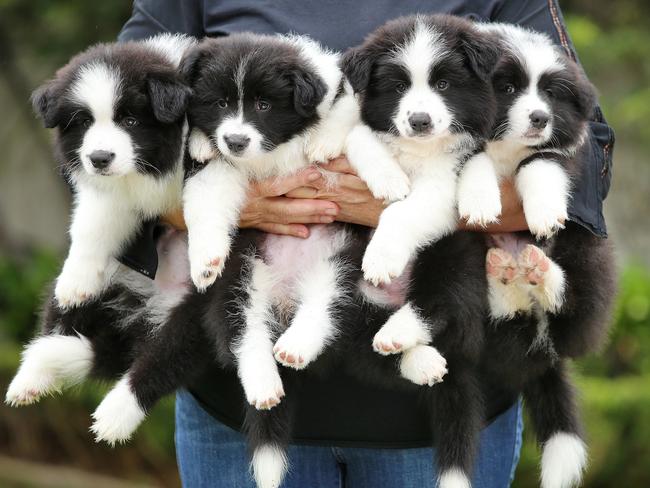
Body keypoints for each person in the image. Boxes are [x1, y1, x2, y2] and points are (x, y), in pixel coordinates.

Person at [118, 1, 614, 486]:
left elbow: (587, 146)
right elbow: (111, 119)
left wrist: (419, 206)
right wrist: (208, 205)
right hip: (236, 402)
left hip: (437, 397)